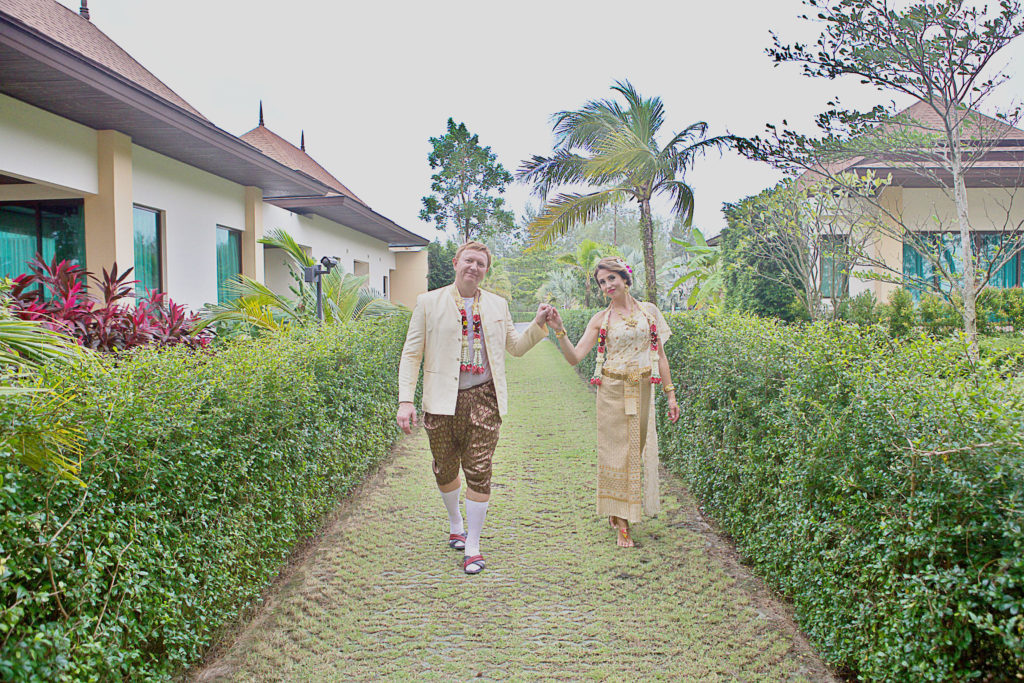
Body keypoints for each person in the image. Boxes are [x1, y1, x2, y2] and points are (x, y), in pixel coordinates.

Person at [397, 241, 551, 574]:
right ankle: (455, 523)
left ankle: (473, 544)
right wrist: (405, 400)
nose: (474, 268)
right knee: (444, 467)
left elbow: (515, 347)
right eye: (469, 260)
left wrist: (538, 325)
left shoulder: (498, 305)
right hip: (441, 402)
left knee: (479, 470)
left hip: (484, 398)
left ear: (485, 270)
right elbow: (411, 355)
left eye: (481, 264)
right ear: (456, 263)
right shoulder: (428, 303)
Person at [545, 256, 679, 547]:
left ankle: (620, 511)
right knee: (616, 455)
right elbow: (574, 357)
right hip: (612, 392)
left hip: (643, 389)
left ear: (625, 278)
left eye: (611, 279)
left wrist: (670, 393)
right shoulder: (600, 320)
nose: (607, 285)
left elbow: (660, 356)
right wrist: (559, 329)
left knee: (635, 451)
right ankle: (621, 520)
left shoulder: (650, 312)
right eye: (602, 282)